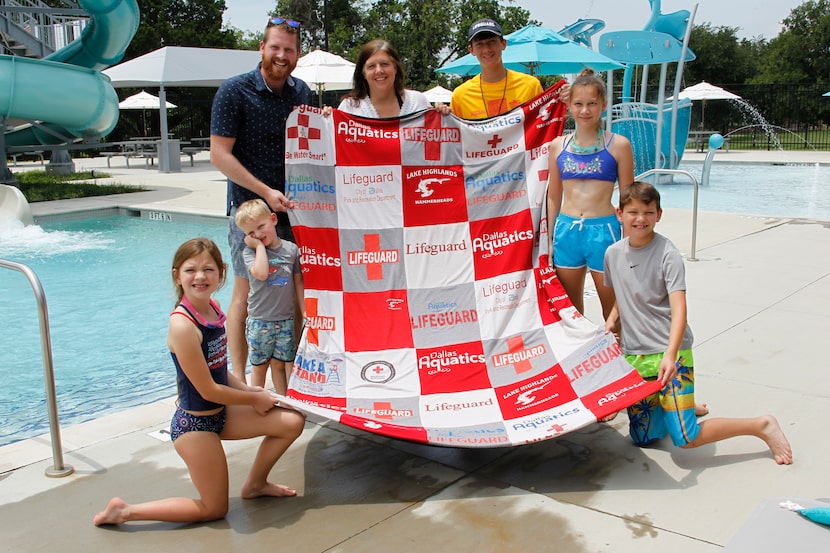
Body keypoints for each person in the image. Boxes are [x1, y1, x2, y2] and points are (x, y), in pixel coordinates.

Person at [93, 238, 306, 526]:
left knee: (291, 422)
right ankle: (125, 511)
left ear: (221, 273)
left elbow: (218, 368)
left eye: (208, 269)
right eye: (191, 269)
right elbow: (207, 390)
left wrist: (247, 389)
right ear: (177, 275)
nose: (200, 276)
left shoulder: (213, 308)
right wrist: (255, 399)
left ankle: (255, 485)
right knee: (213, 509)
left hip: (221, 415)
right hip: (195, 425)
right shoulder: (182, 326)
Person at [602, 182, 792, 465]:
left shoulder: (667, 253)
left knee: (685, 437)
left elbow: (680, 310)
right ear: (619, 214)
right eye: (633, 212)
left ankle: (760, 426)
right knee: (643, 437)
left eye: (647, 212)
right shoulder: (613, 254)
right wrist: (611, 320)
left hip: (671, 353)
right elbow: (623, 295)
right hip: (635, 355)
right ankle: (680, 406)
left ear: (659, 214)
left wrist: (670, 354)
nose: (640, 219)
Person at [210, 17, 312, 383]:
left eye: (289, 49)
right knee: (245, 294)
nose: (282, 55)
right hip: (249, 213)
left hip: (293, 213)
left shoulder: (303, 94)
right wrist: (265, 192)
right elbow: (219, 155)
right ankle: (240, 379)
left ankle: (292, 377)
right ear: (262, 48)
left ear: (297, 54)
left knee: (290, 289)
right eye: (275, 47)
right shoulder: (234, 91)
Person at [546, 68, 634, 322]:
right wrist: (550, 238)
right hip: (567, 232)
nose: (585, 110)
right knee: (572, 314)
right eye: (579, 104)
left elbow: (628, 199)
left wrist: (628, 243)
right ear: (569, 106)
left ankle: (620, 358)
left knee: (614, 312)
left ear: (604, 105)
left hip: (604, 232)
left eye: (592, 104)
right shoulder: (557, 146)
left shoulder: (618, 145)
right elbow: (554, 196)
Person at [235, 199, 304, 395]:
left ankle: (284, 401)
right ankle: (257, 404)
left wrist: (304, 309)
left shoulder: (291, 250)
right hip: (260, 321)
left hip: (285, 320)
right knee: (260, 367)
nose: (257, 234)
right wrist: (258, 247)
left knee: (281, 365)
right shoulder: (249, 252)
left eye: (261, 226)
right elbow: (262, 273)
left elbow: (298, 282)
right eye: (250, 233)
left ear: (273, 219)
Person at [449, 18, 543, 119]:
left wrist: (562, 102)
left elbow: (545, 123)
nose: (486, 49)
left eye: (491, 42)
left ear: (503, 44)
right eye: (479, 44)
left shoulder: (530, 86)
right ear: (471, 50)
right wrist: (440, 114)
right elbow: (450, 129)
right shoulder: (460, 96)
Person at [338, 39, 432, 117]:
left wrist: (442, 115)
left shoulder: (417, 102)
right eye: (371, 66)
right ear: (363, 73)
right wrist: (325, 120)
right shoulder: (349, 108)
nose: (379, 70)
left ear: (395, 68)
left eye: (384, 64)